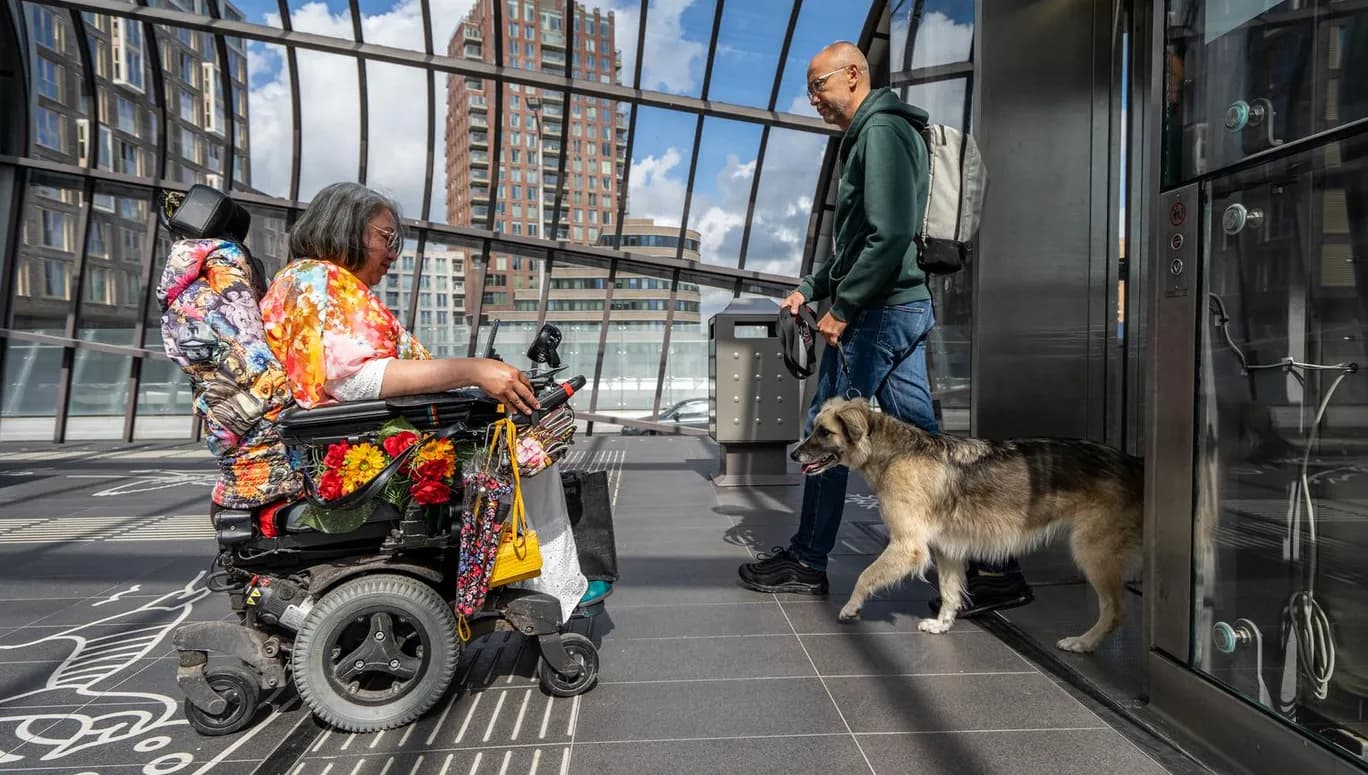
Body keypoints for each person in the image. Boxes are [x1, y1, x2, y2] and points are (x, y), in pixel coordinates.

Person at [736, 42, 1032, 618]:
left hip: (880, 312)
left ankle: (807, 559)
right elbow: (857, 240)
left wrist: (842, 306)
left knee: (827, 428)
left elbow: (890, 234)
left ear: (853, 74)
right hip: (895, 305)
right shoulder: (876, 132)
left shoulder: (881, 132)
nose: (813, 98)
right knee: (925, 445)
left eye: (818, 84)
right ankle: (991, 568)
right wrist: (813, 286)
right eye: (810, 88)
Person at [260, 181, 609, 621]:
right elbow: (353, 381)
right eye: (386, 238)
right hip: (361, 449)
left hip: (354, 438)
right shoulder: (319, 281)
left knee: (519, 434)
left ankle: (532, 575)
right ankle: (557, 589)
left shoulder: (307, 281)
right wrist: (471, 370)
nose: (393, 253)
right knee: (528, 445)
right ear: (346, 228)